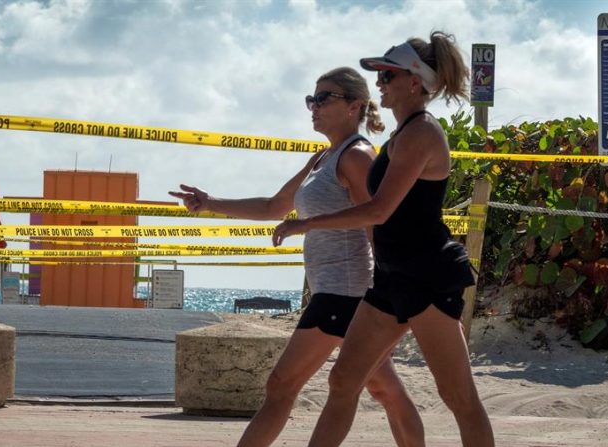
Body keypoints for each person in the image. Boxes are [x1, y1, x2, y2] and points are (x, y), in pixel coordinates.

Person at [169, 67, 424, 447]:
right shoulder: (322, 158)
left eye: (325, 98)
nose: (313, 106)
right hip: (337, 290)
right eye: (312, 98)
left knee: (281, 384)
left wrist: (391, 290)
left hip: (346, 292)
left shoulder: (356, 157)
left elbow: (378, 222)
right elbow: (275, 206)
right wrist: (210, 203)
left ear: (355, 106)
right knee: (384, 389)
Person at [272, 32, 496, 446]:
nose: (379, 85)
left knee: (459, 397)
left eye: (387, 76)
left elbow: (378, 211)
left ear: (415, 81)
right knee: (343, 381)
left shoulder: (422, 133)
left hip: (428, 277)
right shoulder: (401, 134)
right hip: (392, 279)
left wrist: (305, 224)